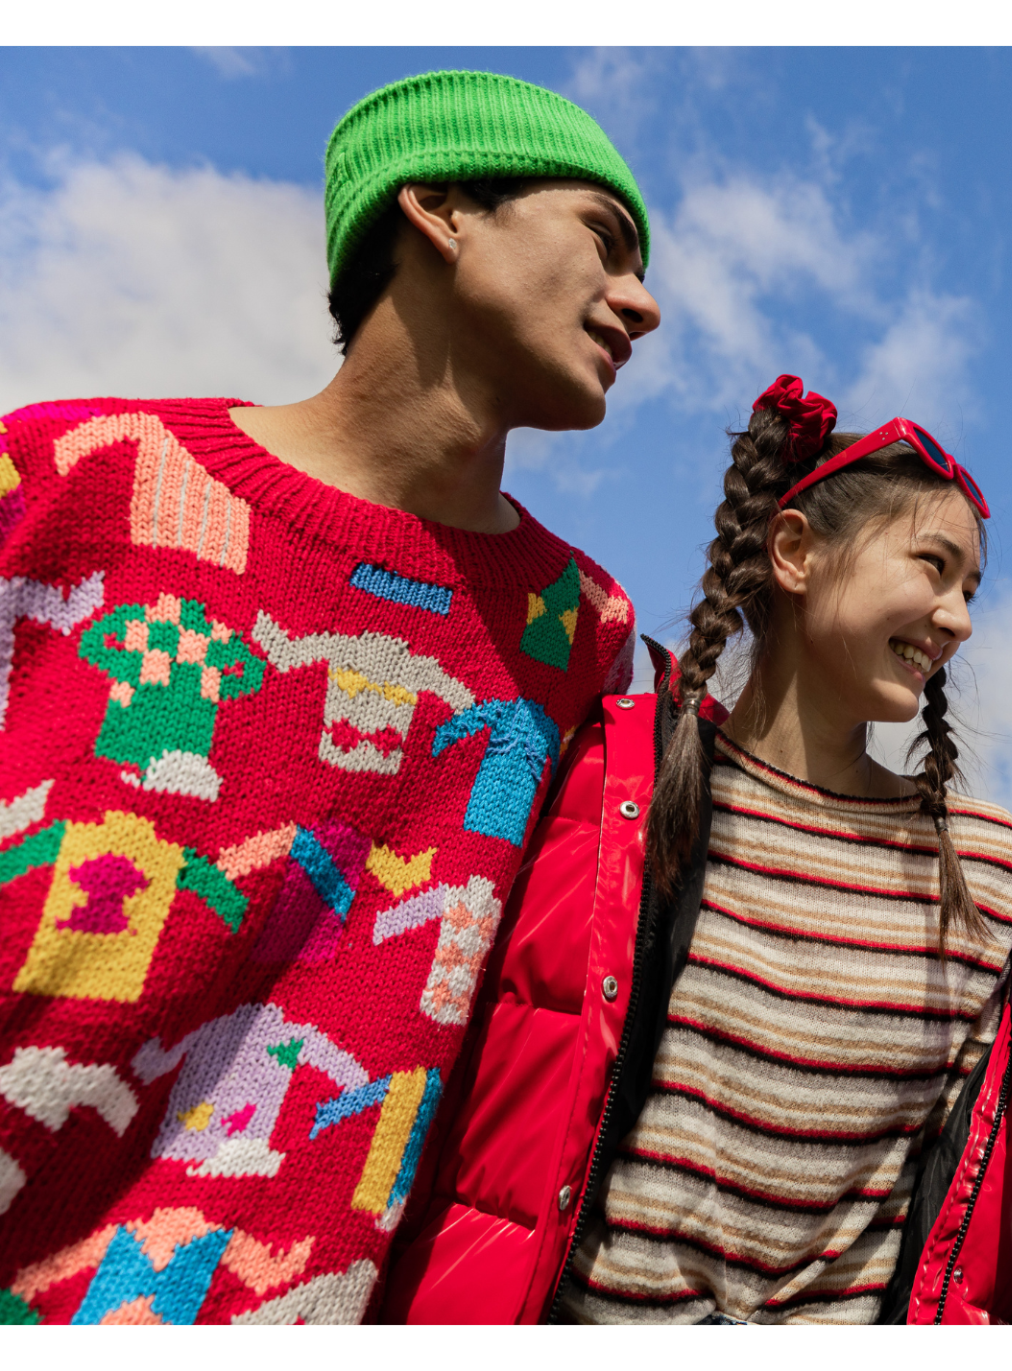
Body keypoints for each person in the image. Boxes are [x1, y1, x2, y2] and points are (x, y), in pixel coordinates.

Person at [0, 70, 656, 1327]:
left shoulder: (583, 634)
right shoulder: (70, 478)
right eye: (604, 238)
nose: (644, 300)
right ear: (442, 208)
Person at [382, 376, 1012, 1325]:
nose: (960, 619)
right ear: (796, 550)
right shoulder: (624, 787)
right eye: (931, 567)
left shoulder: (984, 867)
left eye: (969, 589)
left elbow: (950, 1191)